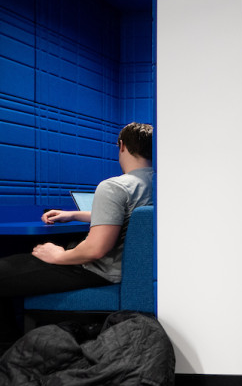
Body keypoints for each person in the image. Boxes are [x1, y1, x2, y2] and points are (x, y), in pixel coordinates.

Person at [0, 123, 154, 337]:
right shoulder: (158, 184)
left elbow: (95, 250)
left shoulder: (114, 187)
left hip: (98, 270)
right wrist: (72, 214)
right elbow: (128, 218)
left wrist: (59, 255)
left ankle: (10, 348)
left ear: (122, 146)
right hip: (130, 271)